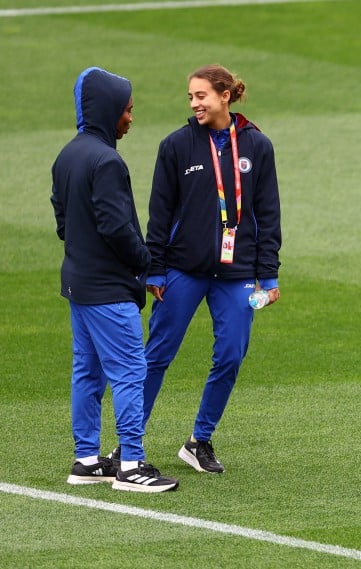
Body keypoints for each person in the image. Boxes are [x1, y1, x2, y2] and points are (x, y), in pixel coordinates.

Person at [142, 64, 282, 473]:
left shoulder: (257, 146)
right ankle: (127, 441)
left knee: (231, 355)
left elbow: (268, 214)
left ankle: (199, 440)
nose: (194, 103)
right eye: (190, 97)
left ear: (224, 95)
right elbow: (159, 213)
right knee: (157, 356)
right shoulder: (176, 146)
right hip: (183, 270)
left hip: (237, 273)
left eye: (201, 95)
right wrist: (155, 269)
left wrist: (268, 275)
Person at [51, 67, 179, 493]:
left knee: (87, 372)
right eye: (127, 110)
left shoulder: (68, 154)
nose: (130, 118)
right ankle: (131, 465)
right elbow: (116, 226)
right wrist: (144, 266)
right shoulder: (107, 160)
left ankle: (87, 460)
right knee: (129, 371)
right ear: (108, 110)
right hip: (108, 290)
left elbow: (63, 220)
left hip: (78, 284)